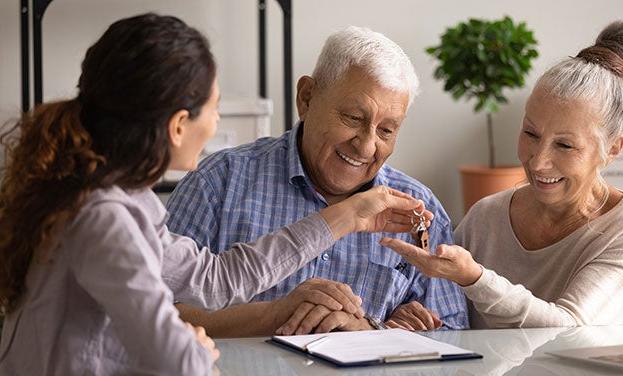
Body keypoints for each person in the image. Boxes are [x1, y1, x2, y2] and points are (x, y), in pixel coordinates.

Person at [0, 14, 434, 375]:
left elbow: (217, 278)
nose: (217, 122)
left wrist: (349, 217)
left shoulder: (127, 202)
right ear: (178, 125)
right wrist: (196, 347)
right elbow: (173, 356)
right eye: (216, 106)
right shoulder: (106, 217)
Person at [166, 26, 469, 336]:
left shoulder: (420, 210)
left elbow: (458, 341)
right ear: (306, 98)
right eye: (353, 118)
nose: (365, 146)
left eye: (386, 131)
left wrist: (371, 331)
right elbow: (150, 318)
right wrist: (271, 315)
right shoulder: (218, 182)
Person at [382, 20, 623, 329]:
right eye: (531, 133)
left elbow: (568, 329)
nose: (539, 161)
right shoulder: (485, 218)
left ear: (612, 149)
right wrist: (413, 314)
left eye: (565, 145)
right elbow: (446, 315)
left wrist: (474, 277)